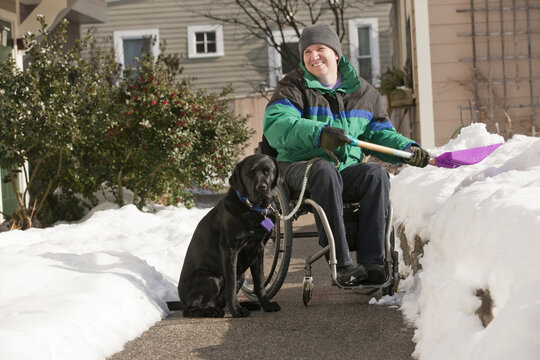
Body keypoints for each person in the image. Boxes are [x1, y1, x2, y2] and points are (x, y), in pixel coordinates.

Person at [263, 23, 429, 285]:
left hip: (341, 171)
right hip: (297, 168)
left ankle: (373, 263)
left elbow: (381, 133)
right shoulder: (291, 86)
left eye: (320, 49)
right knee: (324, 169)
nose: (314, 56)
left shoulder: (363, 93)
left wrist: (408, 150)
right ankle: (341, 265)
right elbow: (277, 126)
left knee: (375, 174)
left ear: (336, 54)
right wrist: (320, 133)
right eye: (307, 52)